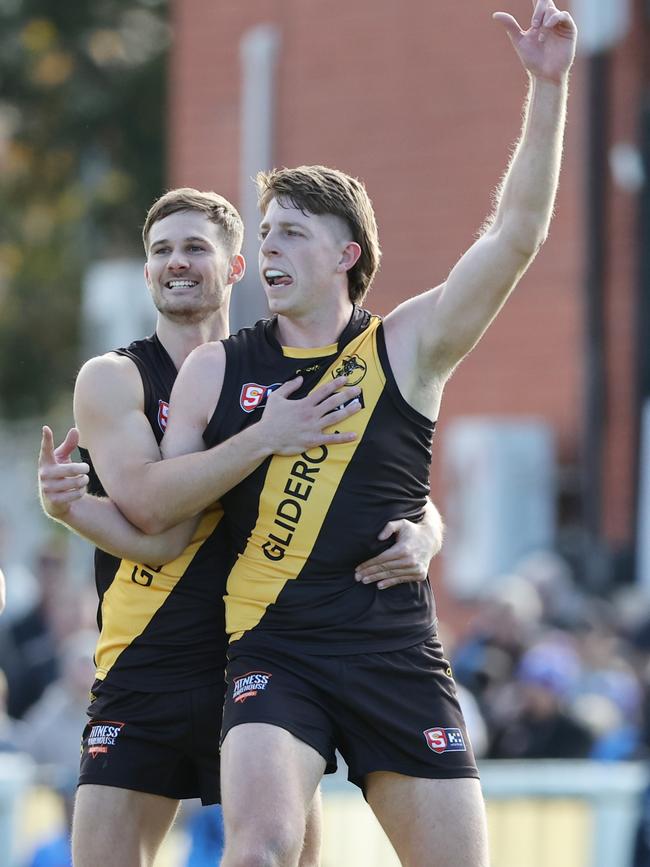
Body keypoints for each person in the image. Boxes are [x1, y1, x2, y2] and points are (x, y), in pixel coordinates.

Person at [38, 189, 444, 866]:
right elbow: (156, 516)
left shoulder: (278, 364)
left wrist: (427, 530)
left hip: (267, 669)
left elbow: (387, 478)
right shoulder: (117, 376)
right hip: (148, 663)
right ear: (146, 273)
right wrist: (71, 509)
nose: (177, 262)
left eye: (196, 247)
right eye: (161, 251)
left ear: (235, 266)